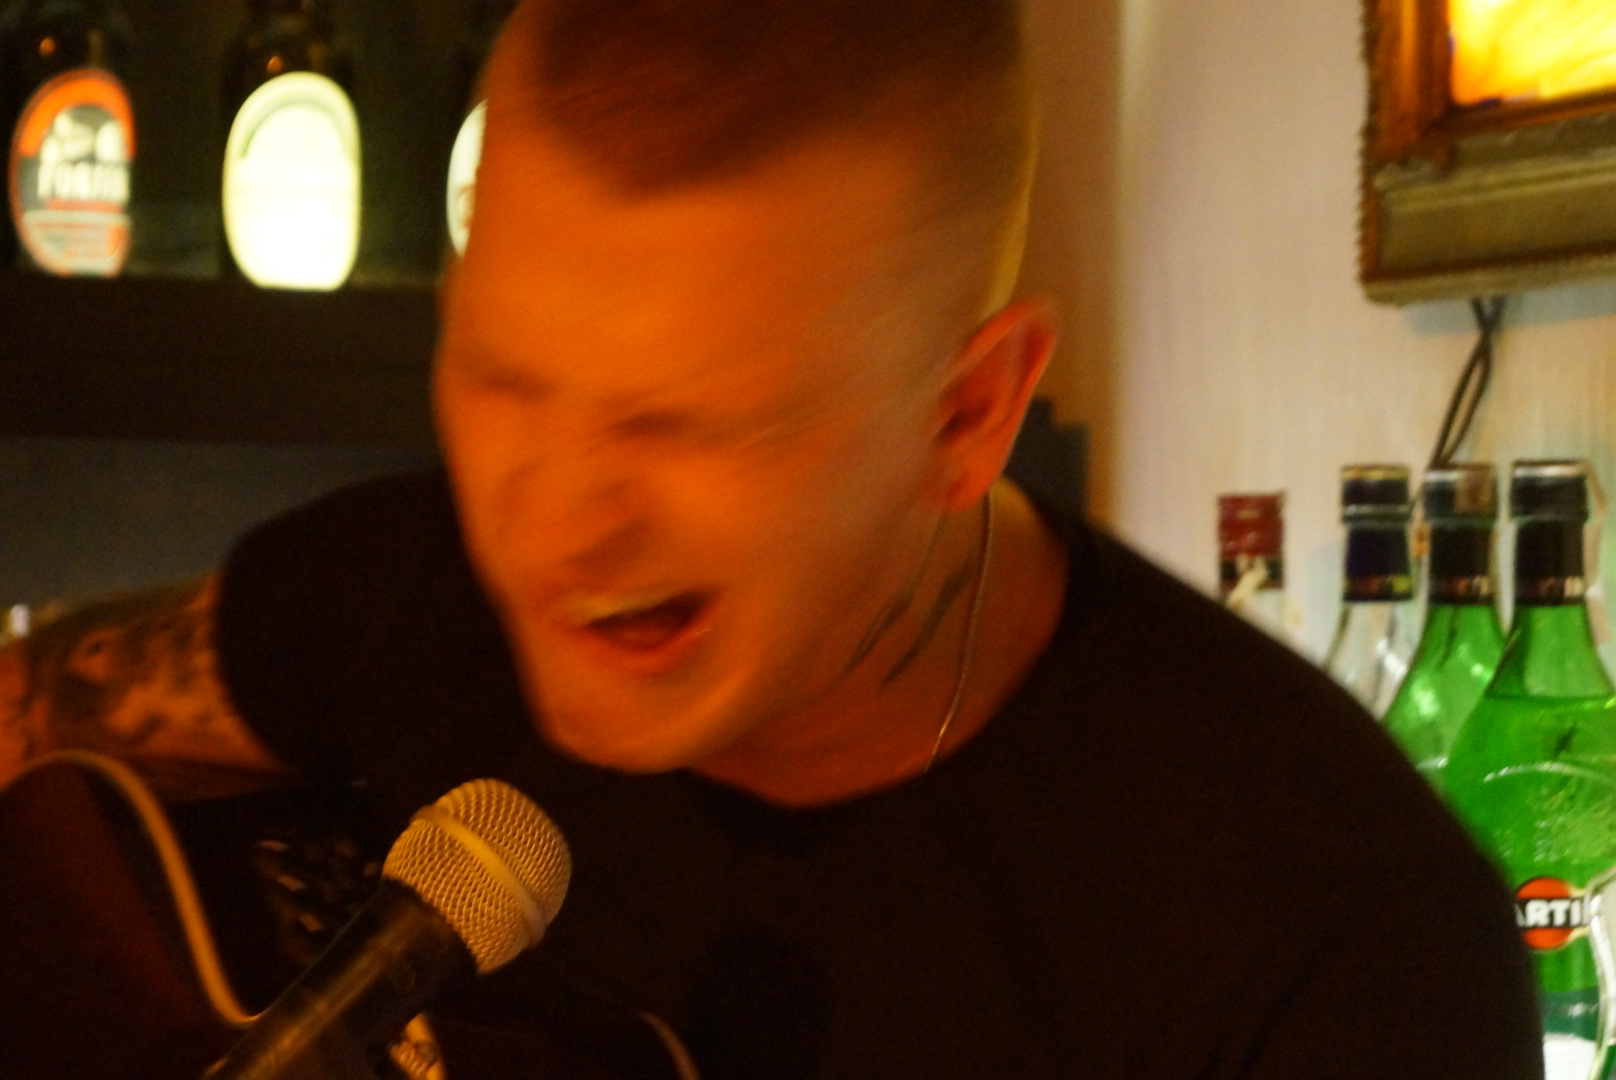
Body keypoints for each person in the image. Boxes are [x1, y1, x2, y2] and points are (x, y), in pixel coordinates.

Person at [0, 0, 1541, 1076]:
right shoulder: (422, 598)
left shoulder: (1335, 938)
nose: (556, 521)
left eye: (688, 424)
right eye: (507, 378)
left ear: (968, 413)